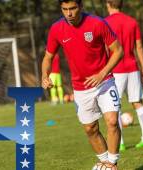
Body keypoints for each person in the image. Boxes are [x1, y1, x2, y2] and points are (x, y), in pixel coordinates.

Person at [41, 0, 123, 168]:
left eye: (72, 8)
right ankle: (105, 162)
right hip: (80, 88)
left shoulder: (97, 23)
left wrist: (102, 73)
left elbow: (118, 51)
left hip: (105, 82)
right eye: (65, 9)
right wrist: (45, 75)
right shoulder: (56, 29)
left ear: (81, 7)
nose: (69, 13)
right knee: (90, 129)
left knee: (113, 121)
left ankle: (112, 164)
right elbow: (48, 57)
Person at [105, 0, 143, 151]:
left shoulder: (105, 22)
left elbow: (106, 48)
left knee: (114, 106)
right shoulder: (132, 21)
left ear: (108, 4)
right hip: (132, 67)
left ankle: (121, 143)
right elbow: (138, 46)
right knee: (137, 102)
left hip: (115, 70)